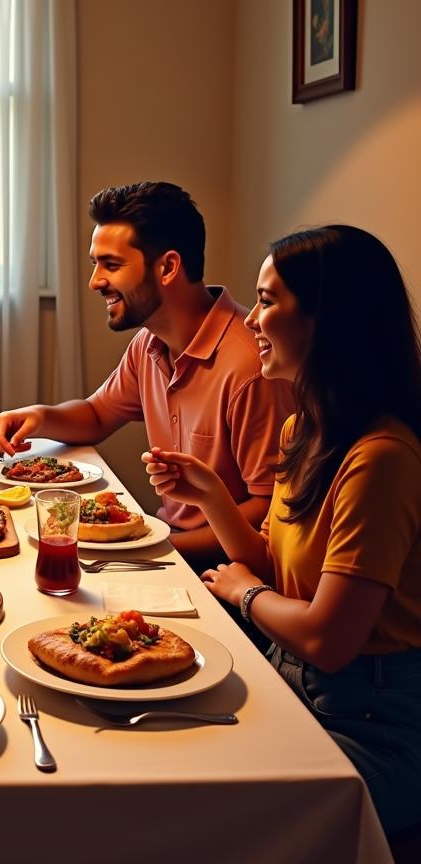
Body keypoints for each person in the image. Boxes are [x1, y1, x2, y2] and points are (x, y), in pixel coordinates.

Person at [143, 225, 421, 834]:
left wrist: (243, 593)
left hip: (371, 720)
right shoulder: (307, 431)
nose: (251, 321)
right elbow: (273, 561)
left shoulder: (381, 458)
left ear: (326, 319)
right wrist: (213, 496)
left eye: (267, 302)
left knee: (194, 816)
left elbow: (329, 637)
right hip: (293, 675)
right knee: (150, 753)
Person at [0, 181, 293, 569]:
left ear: (167, 267)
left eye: (111, 265)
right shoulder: (149, 343)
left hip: (221, 572)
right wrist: (41, 416)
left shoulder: (252, 367)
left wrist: (148, 546)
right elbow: (97, 415)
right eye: (95, 264)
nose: (95, 281)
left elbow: (268, 512)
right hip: (170, 548)